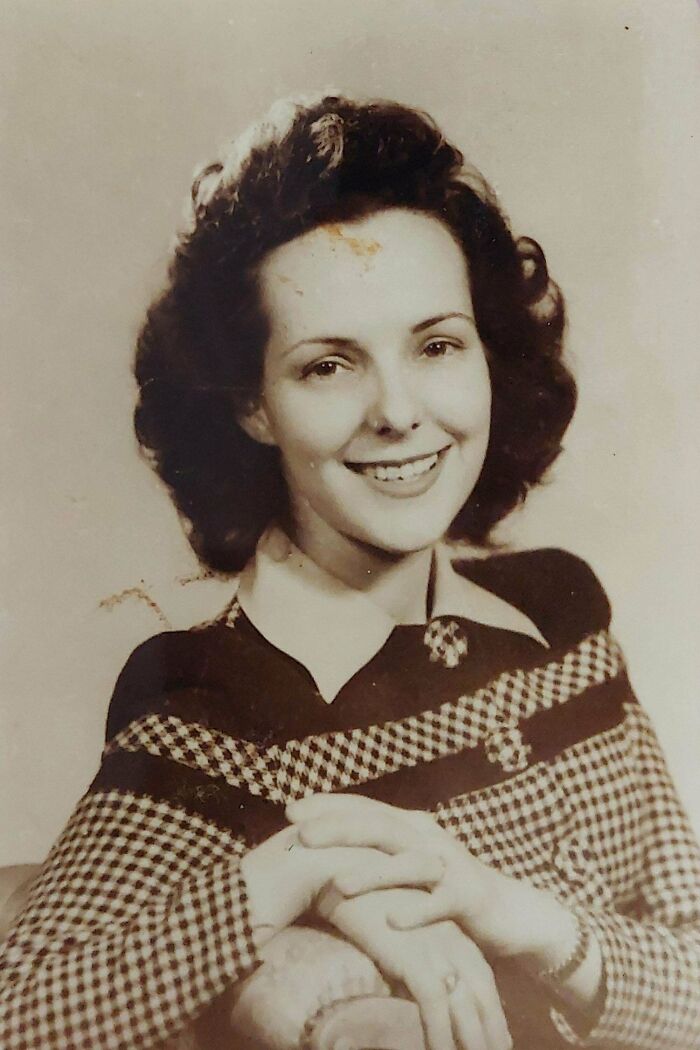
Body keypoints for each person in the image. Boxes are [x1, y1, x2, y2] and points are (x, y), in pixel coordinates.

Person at [1, 93, 698, 1050]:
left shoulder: (561, 614)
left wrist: (513, 915)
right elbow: (21, 1010)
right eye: (329, 366)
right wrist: (297, 875)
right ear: (252, 406)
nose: (399, 412)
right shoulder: (215, 704)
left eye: (437, 345)